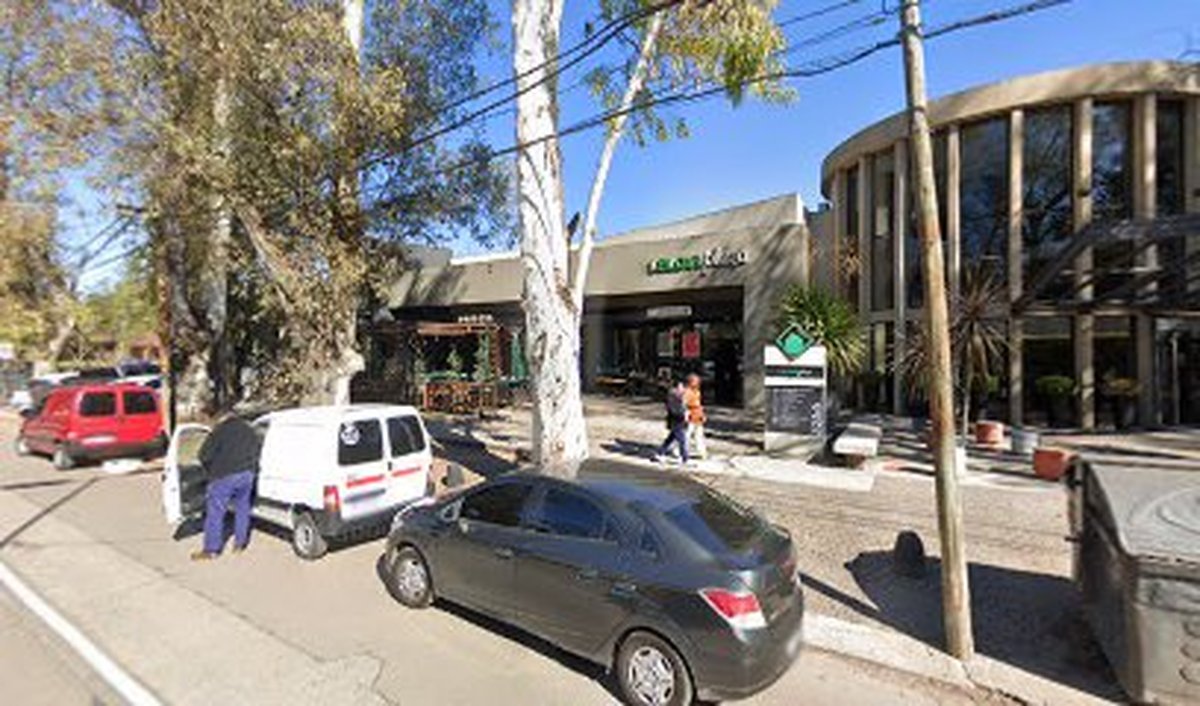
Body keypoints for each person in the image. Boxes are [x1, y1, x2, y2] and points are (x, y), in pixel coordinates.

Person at [192, 413, 261, 560]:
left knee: (215, 512)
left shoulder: (220, 431)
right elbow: (257, 451)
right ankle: (239, 544)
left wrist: (211, 471)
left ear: (222, 419)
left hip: (224, 476)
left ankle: (211, 550)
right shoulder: (250, 430)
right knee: (243, 508)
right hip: (247, 475)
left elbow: (203, 456)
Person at [654, 380, 689, 465]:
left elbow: (682, 407)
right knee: (682, 439)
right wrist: (683, 414)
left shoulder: (679, 396)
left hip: (679, 420)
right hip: (676, 420)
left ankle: (660, 453)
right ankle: (684, 457)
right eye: (681, 387)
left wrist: (685, 413)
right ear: (676, 387)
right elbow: (674, 410)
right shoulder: (672, 396)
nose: (683, 389)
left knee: (671, 438)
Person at [683, 373, 708, 460]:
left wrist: (702, 414)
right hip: (691, 415)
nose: (698, 383)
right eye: (695, 381)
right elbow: (684, 405)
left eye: (698, 381)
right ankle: (682, 450)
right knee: (687, 434)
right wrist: (686, 415)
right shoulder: (687, 392)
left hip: (698, 415)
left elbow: (699, 404)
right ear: (690, 382)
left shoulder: (697, 391)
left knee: (699, 435)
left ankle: (702, 452)